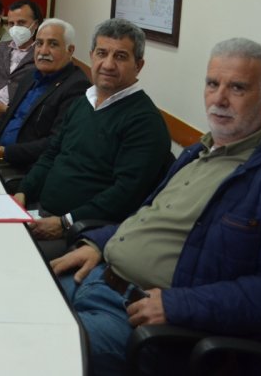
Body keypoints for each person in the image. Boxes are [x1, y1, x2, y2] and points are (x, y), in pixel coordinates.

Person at [51, 38, 261, 376]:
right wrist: (99, 243)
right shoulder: (198, 152)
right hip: (96, 277)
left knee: (34, 348)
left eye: (238, 88)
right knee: (11, 299)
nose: (220, 98)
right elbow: (150, 220)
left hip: (146, 323)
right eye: (213, 84)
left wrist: (178, 305)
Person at [14, 18, 171, 249]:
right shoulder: (82, 102)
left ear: (138, 65)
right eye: (102, 53)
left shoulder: (144, 121)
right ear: (91, 56)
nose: (108, 64)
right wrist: (23, 192)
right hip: (39, 210)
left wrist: (66, 223)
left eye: (120, 56)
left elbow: (125, 194)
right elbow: (51, 155)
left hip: (80, 232)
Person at [0, 18, 89, 173]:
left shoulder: (76, 87)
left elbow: (55, 142)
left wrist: (1, 152)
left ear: (70, 50)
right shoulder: (30, 76)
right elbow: (8, 118)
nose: (43, 51)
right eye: (39, 43)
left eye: (53, 44)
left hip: (23, 168)